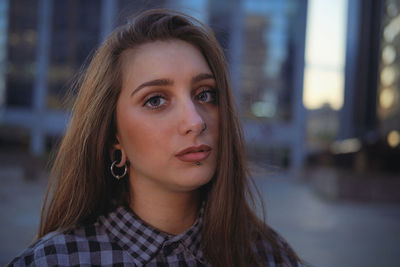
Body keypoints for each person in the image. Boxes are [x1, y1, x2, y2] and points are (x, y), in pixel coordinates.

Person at [9, 9, 301, 267]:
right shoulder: (56, 260)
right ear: (114, 137)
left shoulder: (267, 255)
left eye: (205, 94)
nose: (195, 121)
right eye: (156, 100)